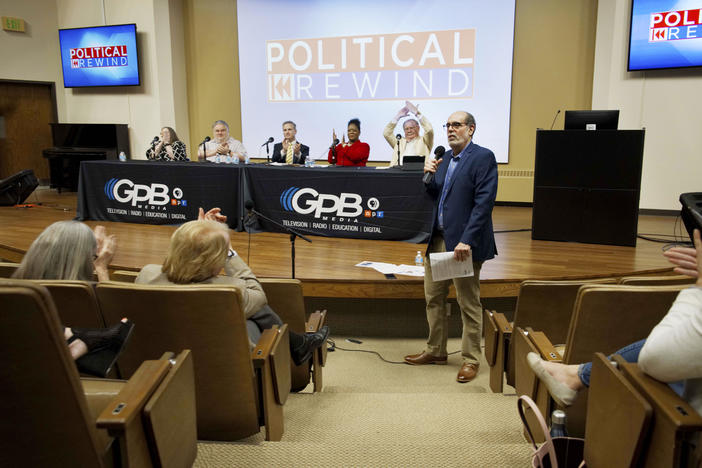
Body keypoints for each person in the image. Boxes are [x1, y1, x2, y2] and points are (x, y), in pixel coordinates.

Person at [527, 229, 702, 410]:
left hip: (679, 418)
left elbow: (653, 357)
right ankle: (576, 375)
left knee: (655, 351)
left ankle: (577, 376)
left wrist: (698, 288)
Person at [135, 208, 329, 365]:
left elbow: (177, 262)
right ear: (215, 261)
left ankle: (297, 343)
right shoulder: (231, 292)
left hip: (159, 363)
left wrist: (199, 234)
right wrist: (229, 251)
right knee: (251, 319)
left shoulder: (146, 275)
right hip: (221, 370)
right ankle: (296, 344)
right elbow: (257, 293)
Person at [404, 111, 498, 384]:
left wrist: (467, 240)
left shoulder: (483, 157)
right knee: (433, 298)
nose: (450, 129)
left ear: (471, 129)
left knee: (467, 302)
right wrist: (428, 177)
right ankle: (436, 351)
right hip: (439, 239)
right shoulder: (443, 159)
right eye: (447, 125)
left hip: (461, 244)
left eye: (456, 125)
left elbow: (484, 203)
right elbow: (438, 196)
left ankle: (471, 359)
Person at [12, 220, 134, 377]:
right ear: (84, 261)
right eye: (91, 257)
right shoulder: (89, 297)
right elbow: (121, 325)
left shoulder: (14, 294)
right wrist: (101, 268)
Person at [383, 101, 434, 167]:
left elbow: (429, 130)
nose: (409, 131)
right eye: (406, 129)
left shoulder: (424, 141)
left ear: (418, 128)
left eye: (411, 128)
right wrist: (397, 116)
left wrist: (417, 114)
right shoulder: (399, 142)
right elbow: (386, 133)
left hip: (418, 172)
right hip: (398, 172)